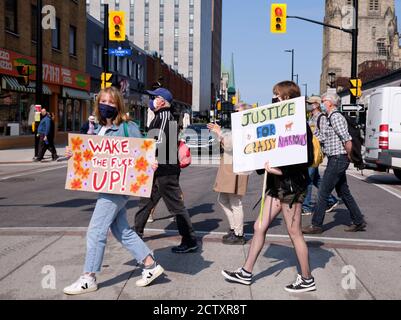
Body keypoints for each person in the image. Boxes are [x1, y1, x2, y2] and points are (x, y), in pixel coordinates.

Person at [63, 87, 164, 295]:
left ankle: (88, 277)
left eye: (111, 102)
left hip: (118, 188)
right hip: (106, 186)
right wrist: (73, 153)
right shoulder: (98, 128)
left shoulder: (127, 127)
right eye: (103, 101)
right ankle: (150, 265)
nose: (107, 105)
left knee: (96, 231)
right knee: (122, 231)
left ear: (118, 105)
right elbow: (89, 155)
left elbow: (145, 151)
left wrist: (150, 164)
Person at [222, 81, 316, 293]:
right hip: (275, 186)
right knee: (259, 226)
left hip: (291, 187)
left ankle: (307, 278)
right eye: (274, 95)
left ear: (287, 98)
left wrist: (280, 171)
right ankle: (246, 272)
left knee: (294, 232)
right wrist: (259, 164)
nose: (274, 98)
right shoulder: (277, 122)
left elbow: (306, 159)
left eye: (278, 95)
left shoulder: (301, 124)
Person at [133, 87, 198, 254]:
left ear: (161, 101)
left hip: (164, 170)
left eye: (154, 97)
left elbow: (156, 142)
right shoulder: (164, 116)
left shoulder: (163, 117)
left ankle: (190, 240)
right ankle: (136, 235)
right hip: (160, 168)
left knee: (176, 207)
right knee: (146, 203)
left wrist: (145, 154)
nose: (151, 100)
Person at [302, 92, 367, 234]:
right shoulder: (329, 117)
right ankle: (358, 221)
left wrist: (348, 157)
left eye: (324, 101)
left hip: (338, 158)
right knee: (344, 192)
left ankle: (316, 224)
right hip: (336, 158)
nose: (322, 103)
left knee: (323, 193)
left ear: (330, 102)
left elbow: (347, 139)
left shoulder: (336, 117)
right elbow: (324, 138)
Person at [207, 103, 251, 245]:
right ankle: (234, 228)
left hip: (236, 168)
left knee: (235, 202)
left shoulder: (244, 128)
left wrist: (219, 132)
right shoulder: (239, 127)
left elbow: (229, 146)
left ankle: (238, 234)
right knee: (223, 199)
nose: (235, 113)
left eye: (238, 111)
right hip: (229, 166)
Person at [302, 96, 338, 216]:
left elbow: (325, 135)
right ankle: (331, 200)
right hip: (310, 151)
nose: (308, 105)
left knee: (308, 179)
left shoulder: (321, 118)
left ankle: (306, 207)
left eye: (310, 103)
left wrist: (313, 137)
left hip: (315, 153)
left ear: (316, 104)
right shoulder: (311, 117)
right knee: (316, 179)